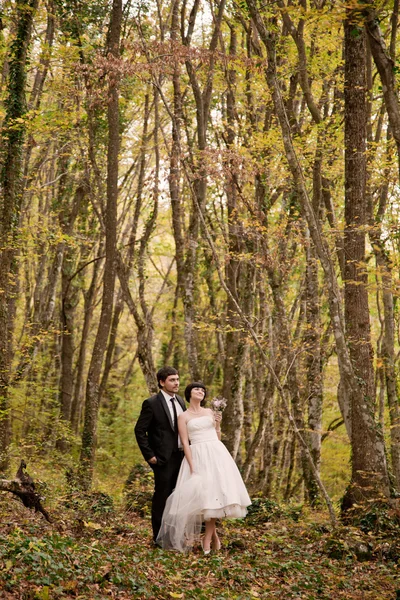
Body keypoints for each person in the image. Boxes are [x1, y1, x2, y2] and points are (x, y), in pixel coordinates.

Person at [156, 382, 251, 553]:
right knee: (205, 497)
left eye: (203, 390)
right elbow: (185, 442)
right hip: (197, 455)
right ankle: (212, 537)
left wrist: (218, 424)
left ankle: (207, 539)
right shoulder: (183, 417)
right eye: (197, 389)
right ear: (189, 393)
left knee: (215, 495)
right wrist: (192, 465)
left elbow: (217, 436)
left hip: (215, 453)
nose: (201, 391)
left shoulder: (210, 412)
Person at [134, 366, 186, 543]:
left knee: (177, 497)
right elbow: (140, 430)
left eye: (177, 379)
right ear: (162, 382)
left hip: (181, 457)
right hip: (162, 459)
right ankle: (158, 538)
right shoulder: (152, 403)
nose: (176, 383)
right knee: (161, 497)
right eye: (172, 380)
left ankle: (172, 536)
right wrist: (150, 456)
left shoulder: (180, 401)